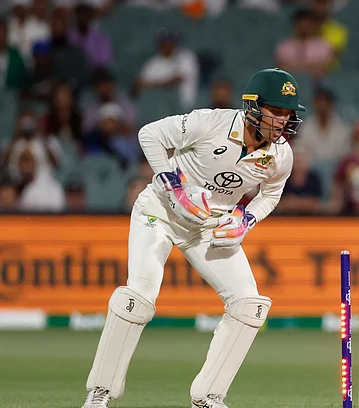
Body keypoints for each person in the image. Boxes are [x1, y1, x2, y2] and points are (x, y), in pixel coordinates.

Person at [80, 68, 303, 408]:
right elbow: (149, 134)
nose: (281, 121)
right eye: (276, 111)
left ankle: (209, 396)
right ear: (253, 107)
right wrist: (173, 185)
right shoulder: (211, 123)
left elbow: (270, 194)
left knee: (249, 307)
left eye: (287, 114)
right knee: (138, 298)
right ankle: (100, 393)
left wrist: (246, 220)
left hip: (208, 226)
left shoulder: (281, 154)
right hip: (160, 212)